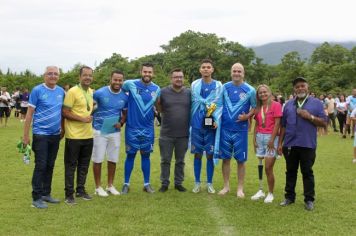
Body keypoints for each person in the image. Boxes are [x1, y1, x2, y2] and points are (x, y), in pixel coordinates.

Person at [278, 77, 327, 211]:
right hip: (290, 144)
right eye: (297, 86)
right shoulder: (288, 104)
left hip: (307, 143)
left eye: (302, 86)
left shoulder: (316, 103)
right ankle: (289, 197)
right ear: (294, 89)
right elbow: (283, 126)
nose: (300, 88)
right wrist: (280, 143)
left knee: (307, 172)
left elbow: (324, 122)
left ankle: (309, 199)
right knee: (290, 172)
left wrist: (310, 117)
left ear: (307, 88)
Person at [23, 66, 65, 209]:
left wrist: (62, 129)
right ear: (44, 76)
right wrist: (25, 136)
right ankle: (36, 197)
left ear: (58, 76)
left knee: (50, 165)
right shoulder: (37, 90)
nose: (53, 76)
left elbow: (62, 112)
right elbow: (29, 114)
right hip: (40, 134)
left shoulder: (61, 91)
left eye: (55, 74)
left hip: (55, 135)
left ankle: (46, 194)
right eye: (50, 74)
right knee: (41, 165)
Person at [121, 63, 160, 194]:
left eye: (150, 72)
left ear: (153, 73)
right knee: (130, 155)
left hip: (148, 129)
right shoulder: (130, 84)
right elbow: (119, 89)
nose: (147, 74)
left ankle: (146, 184)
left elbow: (157, 106)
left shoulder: (157, 88)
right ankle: (126, 184)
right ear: (140, 72)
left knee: (146, 156)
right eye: (145, 72)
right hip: (132, 128)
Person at [218, 63, 256, 198]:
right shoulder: (224, 87)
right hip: (225, 129)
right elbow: (218, 105)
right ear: (231, 72)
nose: (236, 73)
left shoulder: (250, 90)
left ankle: (240, 188)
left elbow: (255, 107)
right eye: (234, 71)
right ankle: (226, 186)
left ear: (243, 73)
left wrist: (247, 116)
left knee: (241, 160)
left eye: (239, 71)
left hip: (241, 131)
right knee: (225, 159)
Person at [91, 70, 128, 197]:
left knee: (113, 159)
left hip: (114, 131)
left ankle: (110, 185)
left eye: (120, 80)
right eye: (115, 80)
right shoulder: (99, 93)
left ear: (123, 81)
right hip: (99, 131)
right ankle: (97, 187)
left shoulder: (124, 96)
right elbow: (90, 109)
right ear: (110, 79)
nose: (117, 82)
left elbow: (124, 114)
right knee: (98, 159)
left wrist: (121, 122)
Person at [62, 66, 94, 205]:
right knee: (71, 165)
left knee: (84, 165)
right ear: (79, 77)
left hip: (88, 135)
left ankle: (80, 190)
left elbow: (87, 107)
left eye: (90, 75)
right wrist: (82, 119)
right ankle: (69, 194)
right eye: (85, 75)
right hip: (74, 136)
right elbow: (65, 112)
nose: (87, 78)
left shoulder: (91, 91)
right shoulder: (72, 91)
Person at [190, 59, 223, 194]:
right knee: (197, 155)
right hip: (197, 125)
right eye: (203, 67)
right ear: (200, 70)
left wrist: (216, 120)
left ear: (212, 69)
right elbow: (192, 103)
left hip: (210, 127)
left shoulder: (218, 86)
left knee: (209, 155)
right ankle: (197, 183)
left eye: (208, 67)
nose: (206, 69)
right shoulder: (194, 85)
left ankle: (210, 183)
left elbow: (220, 105)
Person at [156, 68, 191, 192]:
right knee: (165, 160)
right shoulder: (163, 92)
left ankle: (178, 183)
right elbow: (159, 108)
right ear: (171, 78)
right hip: (166, 133)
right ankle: (164, 183)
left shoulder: (189, 92)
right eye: (176, 77)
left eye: (181, 77)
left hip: (183, 133)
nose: (179, 79)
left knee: (180, 161)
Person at [251, 85, 282, 203]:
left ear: (269, 92)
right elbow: (258, 124)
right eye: (260, 93)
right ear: (258, 95)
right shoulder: (258, 107)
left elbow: (277, 123)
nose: (263, 94)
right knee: (260, 163)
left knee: (268, 167)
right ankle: (260, 190)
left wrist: (272, 140)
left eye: (265, 92)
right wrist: (254, 139)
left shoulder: (276, 105)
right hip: (259, 137)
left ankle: (270, 193)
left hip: (271, 138)